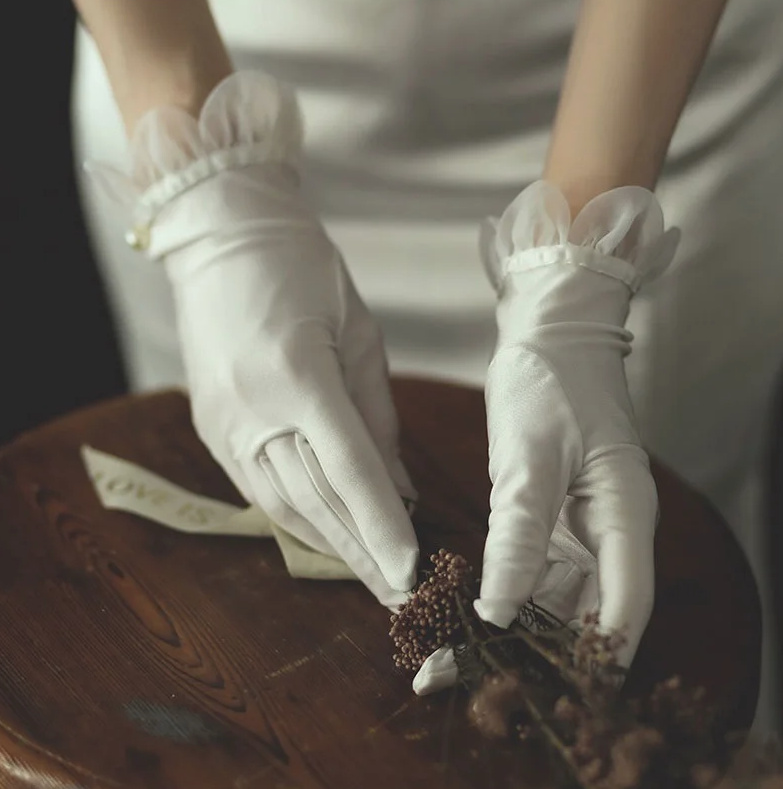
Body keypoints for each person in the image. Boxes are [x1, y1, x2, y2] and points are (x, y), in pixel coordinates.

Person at [70, 0, 782, 729]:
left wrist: (580, 284)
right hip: (212, 72)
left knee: (652, 591)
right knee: (243, 604)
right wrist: (210, 200)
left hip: (652, 108)